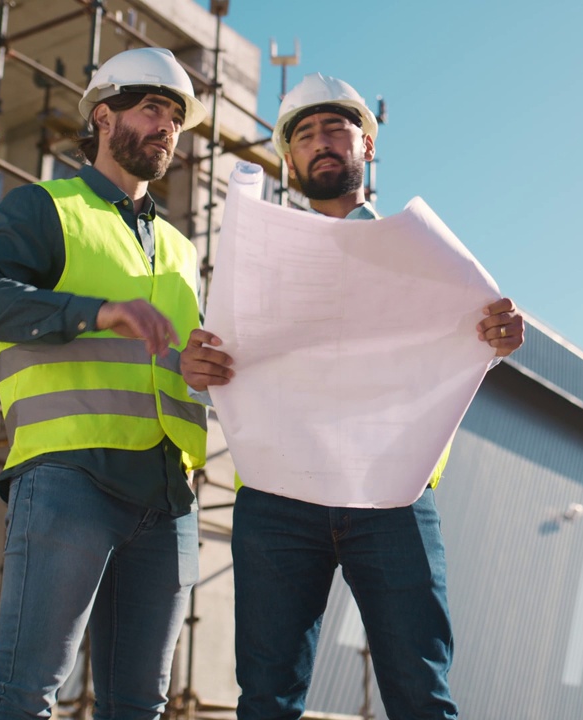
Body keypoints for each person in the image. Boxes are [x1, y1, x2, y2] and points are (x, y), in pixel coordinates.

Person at [179, 74, 525, 720]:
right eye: (304, 135)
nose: (321, 144)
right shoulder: (257, 264)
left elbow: (465, 338)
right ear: (289, 161)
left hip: (393, 494)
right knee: (266, 697)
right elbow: (228, 359)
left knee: (421, 692)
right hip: (279, 498)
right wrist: (197, 365)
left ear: (366, 143)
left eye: (334, 128)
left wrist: (496, 336)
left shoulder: (424, 257)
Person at [0, 47, 210, 720]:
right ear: (103, 116)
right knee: (27, 691)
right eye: (152, 108)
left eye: (176, 118)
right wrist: (94, 313)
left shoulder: (181, 251)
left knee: (140, 706)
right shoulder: (46, 209)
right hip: (72, 477)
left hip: (168, 494)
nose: (167, 128)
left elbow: (176, 359)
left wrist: (209, 365)